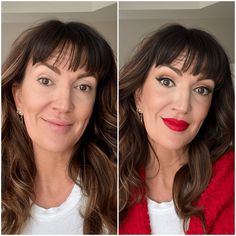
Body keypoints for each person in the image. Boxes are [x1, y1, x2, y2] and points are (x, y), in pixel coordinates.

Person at [2, 20, 117, 234]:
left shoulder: (123, 191)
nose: (64, 105)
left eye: (83, 87)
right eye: (46, 81)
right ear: (18, 97)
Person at [119, 24, 234, 234]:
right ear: (138, 96)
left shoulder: (230, 181)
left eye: (201, 89)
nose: (183, 105)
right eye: (167, 81)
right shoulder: (104, 179)